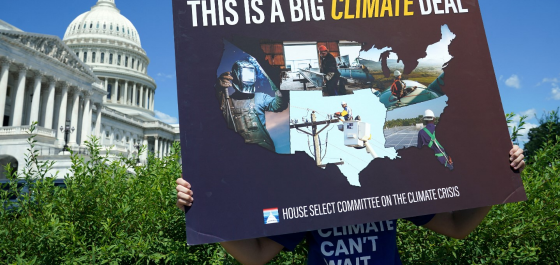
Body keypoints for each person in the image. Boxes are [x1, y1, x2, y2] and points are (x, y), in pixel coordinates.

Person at [176, 146, 525, 264]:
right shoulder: (305, 197)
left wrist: (501, 178)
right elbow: (255, 256)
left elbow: (457, 227)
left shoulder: (387, 189)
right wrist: (200, 212)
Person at [216, 58, 288, 152]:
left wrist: (274, 81)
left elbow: (280, 105)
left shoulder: (260, 98)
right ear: (236, 76)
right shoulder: (226, 102)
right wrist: (218, 90)